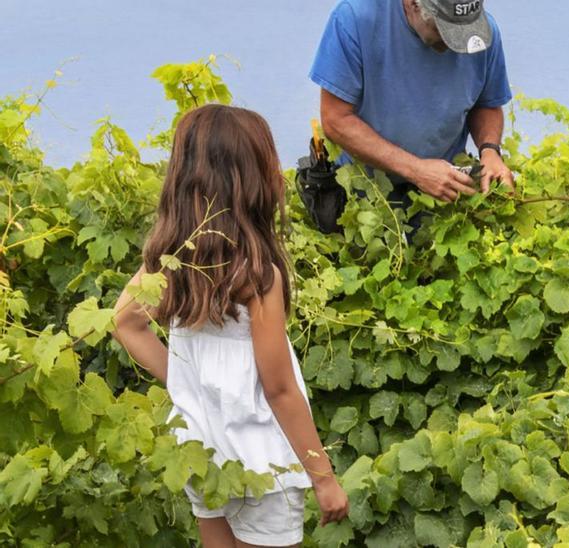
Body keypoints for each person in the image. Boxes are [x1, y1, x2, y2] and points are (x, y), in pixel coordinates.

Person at [112, 104, 349, 547]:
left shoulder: (168, 263)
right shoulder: (257, 276)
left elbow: (125, 324)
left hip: (203, 453)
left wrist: (186, 383)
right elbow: (279, 390)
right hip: (262, 465)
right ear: (252, 180)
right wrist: (323, 477)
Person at [310, 0, 514, 208]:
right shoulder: (355, 18)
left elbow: (485, 103)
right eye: (444, 29)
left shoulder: (480, 34)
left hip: (442, 197)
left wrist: (489, 150)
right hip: (362, 196)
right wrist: (416, 169)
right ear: (413, 4)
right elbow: (336, 119)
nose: (456, 43)